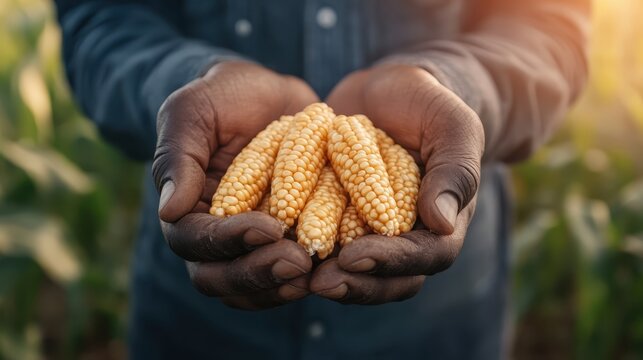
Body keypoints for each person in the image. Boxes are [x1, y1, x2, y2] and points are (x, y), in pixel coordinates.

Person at [54, 0, 589, 358]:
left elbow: (549, 23)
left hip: (438, 325)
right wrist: (182, 82)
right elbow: (103, 20)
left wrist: (461, 86)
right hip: (198, 324)